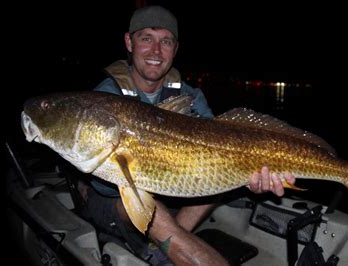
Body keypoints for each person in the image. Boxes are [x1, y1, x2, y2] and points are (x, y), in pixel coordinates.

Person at [80, 5, 296, 265]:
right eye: (146, 38)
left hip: (168, 187)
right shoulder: (103, 100)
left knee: (219, 182)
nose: (156, 51)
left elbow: (219, 151)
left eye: (166, 41)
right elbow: (104, 184)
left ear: (175, 49)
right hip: (111, 200)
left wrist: (249, 174)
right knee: (153, 210)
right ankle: (170, 243)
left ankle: (161, 247)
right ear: (129, 41)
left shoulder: (190, 96)